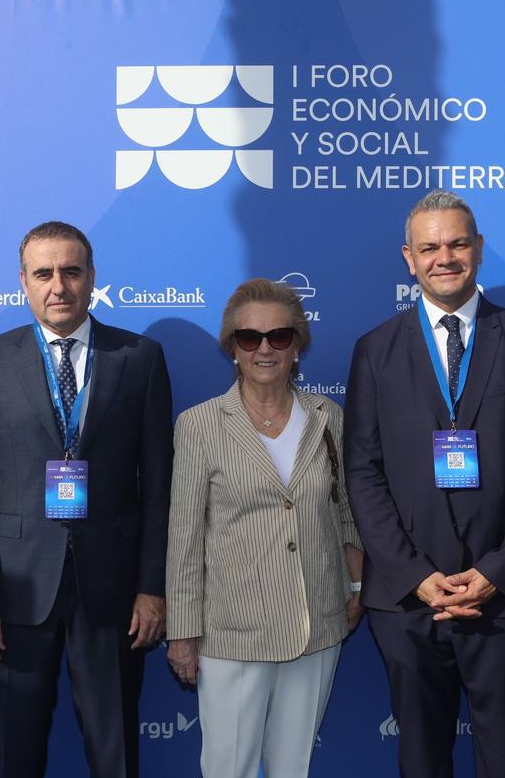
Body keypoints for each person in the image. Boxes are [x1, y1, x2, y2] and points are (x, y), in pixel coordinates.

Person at [344, 190, 505, 778]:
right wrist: (417, 576)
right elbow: (362, 474)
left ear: (480, 249)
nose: (445, 256)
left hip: (504, 596)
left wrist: (496, 572)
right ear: (408, 258)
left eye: (457, 243)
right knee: (420, 760)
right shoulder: (374, 351)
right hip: (408, 600)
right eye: (429, 247)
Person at [0, 221, 172, 778]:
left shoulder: (140, 357)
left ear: (92, 278)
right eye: (44, 274)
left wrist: (152, 588)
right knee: (18, 755)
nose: (59, 287)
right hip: (17, 592)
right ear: (24, 282)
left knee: (114, 752)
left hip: (114, 594)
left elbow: (159, 488)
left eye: (71, 272)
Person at [165, 279, 364, 778]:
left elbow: (347, 514)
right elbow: (184, 538)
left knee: (293, 767)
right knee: (227, 768)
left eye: (279, 336)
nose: (265, 348)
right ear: (232, 348)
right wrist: (183, 634)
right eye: (249, 338)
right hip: (233, 633)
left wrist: (356, 586)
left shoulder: (328, 418)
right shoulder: (200, 425)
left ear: (298, 344)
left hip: (315, 622)